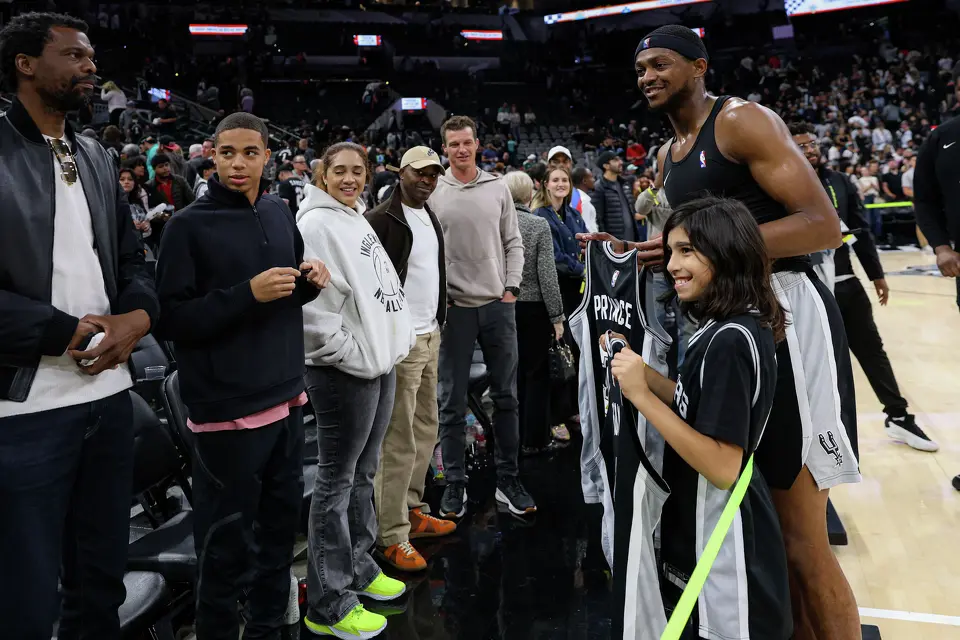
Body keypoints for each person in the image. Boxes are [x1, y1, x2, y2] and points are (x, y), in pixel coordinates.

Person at [584, 25, 859, 639]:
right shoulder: (666, 155)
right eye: (640, 70)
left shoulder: (740, 123)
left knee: (800, 534)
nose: (647, 77)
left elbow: (822, 224)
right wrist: (646, 252)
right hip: (723, 327)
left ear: (698, 66)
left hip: (785, 315)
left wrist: (713, 248)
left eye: (660, 65)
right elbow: (698, 250)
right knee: (756, 526)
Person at [0, 12, 159, 639]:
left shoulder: (93, 154)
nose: (92, 67)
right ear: (26, 64)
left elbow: (133, 261)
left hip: (109, 398)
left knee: (101, 583)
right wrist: (60, 331)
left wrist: (138, 318)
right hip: (25, 408)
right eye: (74, 55)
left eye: (92, 56)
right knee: (27, 598)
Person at [155, 112, 330, 640]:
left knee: (278, 539)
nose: (237, 163)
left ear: (266, 157)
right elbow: (172, 319)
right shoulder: (188, 225)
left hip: (286, 399)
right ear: (211, 154)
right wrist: (245, 295)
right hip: (226, 414)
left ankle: (270, 627)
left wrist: (311, 282)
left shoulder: (279, 211)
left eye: (249, 153)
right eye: (227, 152)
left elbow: (284, 292)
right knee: (225, 550)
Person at [609, 197, 792, 640]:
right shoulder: (727, 325)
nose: (672, 264)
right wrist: (645, 374)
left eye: (687, 250)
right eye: (671, 251)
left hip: (727, 541)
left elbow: (723, 466)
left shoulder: (731, 339)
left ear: (727, 251)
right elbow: (698, 403)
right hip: (710, 527)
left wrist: (639, 396)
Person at [296, 141, 414, 638]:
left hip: (378, 364)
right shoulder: (314, 224)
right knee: (336, 480)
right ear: (322, 175)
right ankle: (328, 599)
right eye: (339, 171)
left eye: (357, 171)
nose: (349, 179)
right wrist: (353, 355)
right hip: (346, 372)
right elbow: (313, 312)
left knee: (363, 473)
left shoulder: (354, 216)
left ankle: (359, 567)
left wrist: (387, 347)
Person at [791, 123, 938, 452]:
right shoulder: (781, 186)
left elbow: (859, 230)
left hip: (847, 284)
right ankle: (821, 435)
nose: (809, 150)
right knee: (821, 365)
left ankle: (899, 417)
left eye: (812, 144)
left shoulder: (840, 182)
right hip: (808, 290)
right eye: (800, 145)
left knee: (873, 352)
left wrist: (876, 275)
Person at [429, 115, 536, 519]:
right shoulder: (434, 190)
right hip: (455, 310)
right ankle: (454, 483)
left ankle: (509, 478)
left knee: (507, 397)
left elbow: (514, 241)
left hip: (496, 306)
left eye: (466, 142)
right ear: (445, 148)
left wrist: (510, 289)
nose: (460, 149)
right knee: (451, 403)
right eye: (453, 143)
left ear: (477, 145)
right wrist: (441, 299)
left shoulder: (497, 187)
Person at [365, 146, 456, 573]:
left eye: (434, 174)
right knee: (398, 440)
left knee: (425, 429)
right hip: (402, 342)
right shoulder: (382, 218)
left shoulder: (428, 213)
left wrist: (437, 319)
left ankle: (413, 509)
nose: (428, 180)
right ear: (401, 172)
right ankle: (391, 534)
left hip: (429, 335)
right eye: (420, 173)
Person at [505, 170, 566, 454]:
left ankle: (509, 440)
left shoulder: (495, 224)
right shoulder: (538, 224)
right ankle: (535, 439)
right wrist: (557, 316)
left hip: (502, 307)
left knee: (508, 376)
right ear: (529, 194)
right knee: (536, 375)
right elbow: (547, 275)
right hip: (535, 310)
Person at [593, 151, 640, 242]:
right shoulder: (599, 187)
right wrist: (606, 243)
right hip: (614, 245)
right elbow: (598, 218)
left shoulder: (625, 184)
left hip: (632, 241)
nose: (621, 162)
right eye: (615, 160)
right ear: (606, 166)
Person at [571, 166, 598, 232]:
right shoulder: (583, 200)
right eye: (591, 177)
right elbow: (586, 226)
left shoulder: (575, 196)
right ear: (584, 181)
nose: (594, 180)